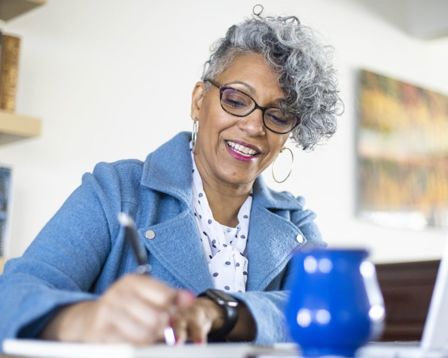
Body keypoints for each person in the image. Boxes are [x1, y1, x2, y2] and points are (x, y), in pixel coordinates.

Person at [0, 6, 342, 348]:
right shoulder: (116, 190)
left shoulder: (296, 223)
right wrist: (84, 319)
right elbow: (12, 297)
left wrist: (223, 312)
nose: (253, 126)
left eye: (279, 116)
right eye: (236, 100)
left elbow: (331, 309)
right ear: (198, 101)